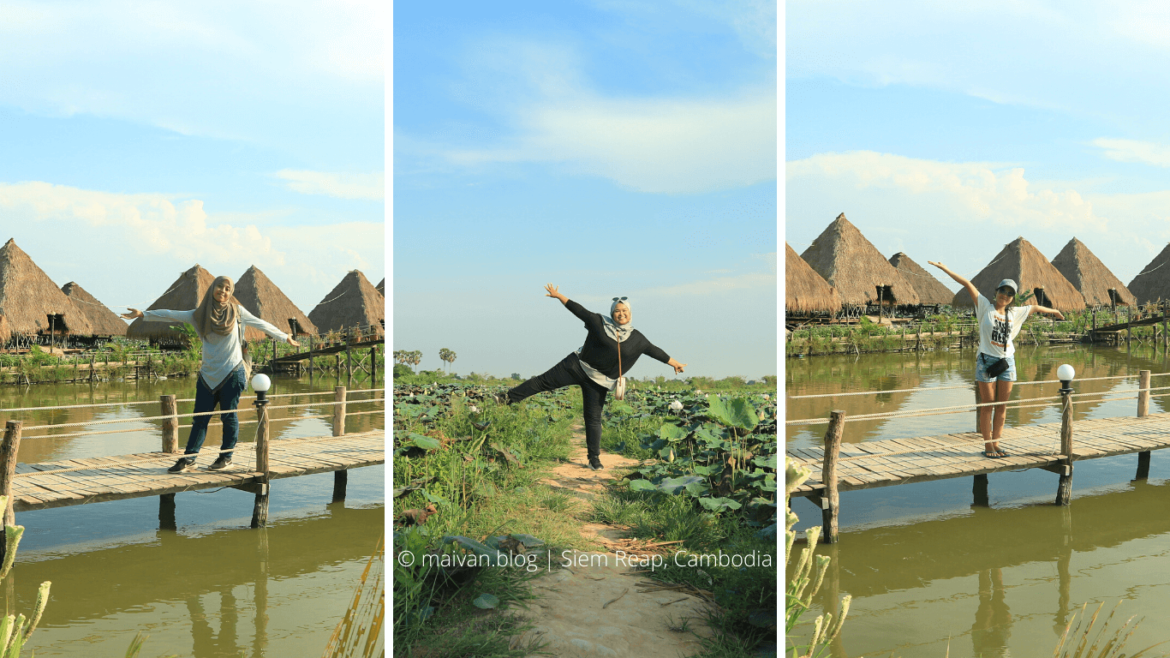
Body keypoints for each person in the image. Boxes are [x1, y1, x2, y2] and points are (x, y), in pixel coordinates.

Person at [121, 276, 301, 473]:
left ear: (231, 293)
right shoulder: (198, 315)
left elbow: (261, 324)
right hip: (208, 374)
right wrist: (143, 314)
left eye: (227, 289)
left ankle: (226, 457)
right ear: (212, 288)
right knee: (200, 418)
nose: (223, 292)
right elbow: (171, 315)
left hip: (232, 372)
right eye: (219, 287)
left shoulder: (237, 312)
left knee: (229, 416)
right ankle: (189, 459)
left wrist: (285, 337)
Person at [499, 284, 687, 470]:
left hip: (599, 381)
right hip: (576, 366)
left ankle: (593, 458)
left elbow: (655, 351)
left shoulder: (637, 338)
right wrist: (559, 296)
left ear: (630, 313)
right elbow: (579, 310)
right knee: (542, 382)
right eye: (617, 311)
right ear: (612, 313)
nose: (621, 314)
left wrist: (675, 364)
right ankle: (505, 399)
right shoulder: (599, 322)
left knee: (593, 418)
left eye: (624, 311)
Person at [929, 263, 1064, 458]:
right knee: (988, 404)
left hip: (1007, 362)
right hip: (986, 361)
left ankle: (997, 443)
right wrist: (943, 268)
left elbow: (1034, 307)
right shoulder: (984, 306)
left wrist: (1054, 312)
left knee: (1002, 405)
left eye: (1010, 294)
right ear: (996, 292)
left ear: (1012, 298)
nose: (1005, 295)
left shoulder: (1015, 313)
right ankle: (988, 446)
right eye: (1003, 291)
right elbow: (967, 283)